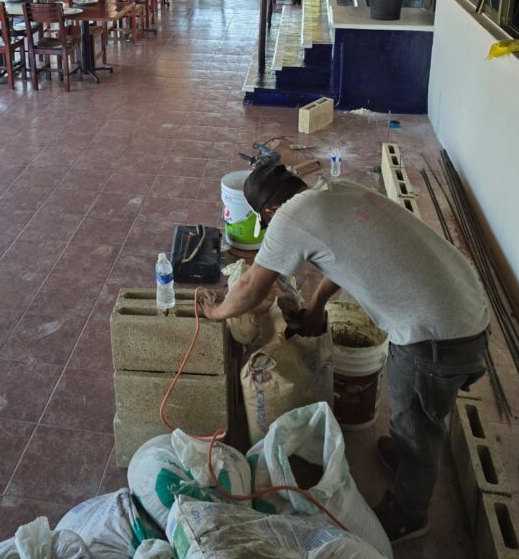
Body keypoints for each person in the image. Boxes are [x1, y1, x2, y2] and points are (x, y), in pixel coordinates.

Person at [202, 160, 489, 543]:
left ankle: (409, 514)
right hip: (465, 307)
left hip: (438, 335)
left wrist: (216, 311)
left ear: (270, 211)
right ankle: (406, 460)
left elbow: (254, 286)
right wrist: (317, 306)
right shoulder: (338, 192)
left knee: (420, 425)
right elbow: (340, 259)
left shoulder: (290, 216)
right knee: (412, 409)